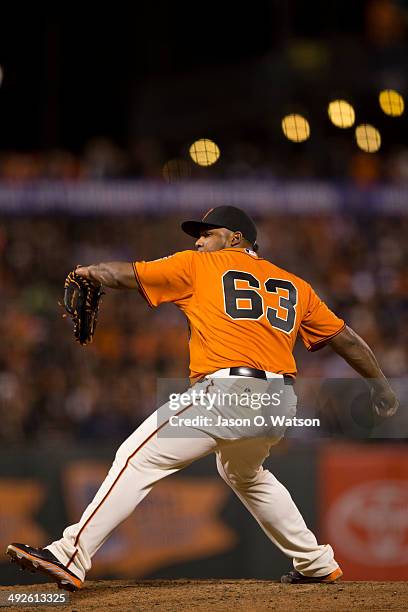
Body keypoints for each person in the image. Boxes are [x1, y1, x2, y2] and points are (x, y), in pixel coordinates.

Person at [7, 205, 398, 591]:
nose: (199, 241)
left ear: (235, 238)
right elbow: (345, 338)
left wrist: (88, 271)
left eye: (207, 233)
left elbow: (126, 274)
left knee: (136, 457)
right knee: (245, 473)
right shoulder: (295, 284)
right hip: (279, 401)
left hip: (229, 392)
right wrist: (380, 385)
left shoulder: (201, 266)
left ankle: (69, 554)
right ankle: (315, 563)